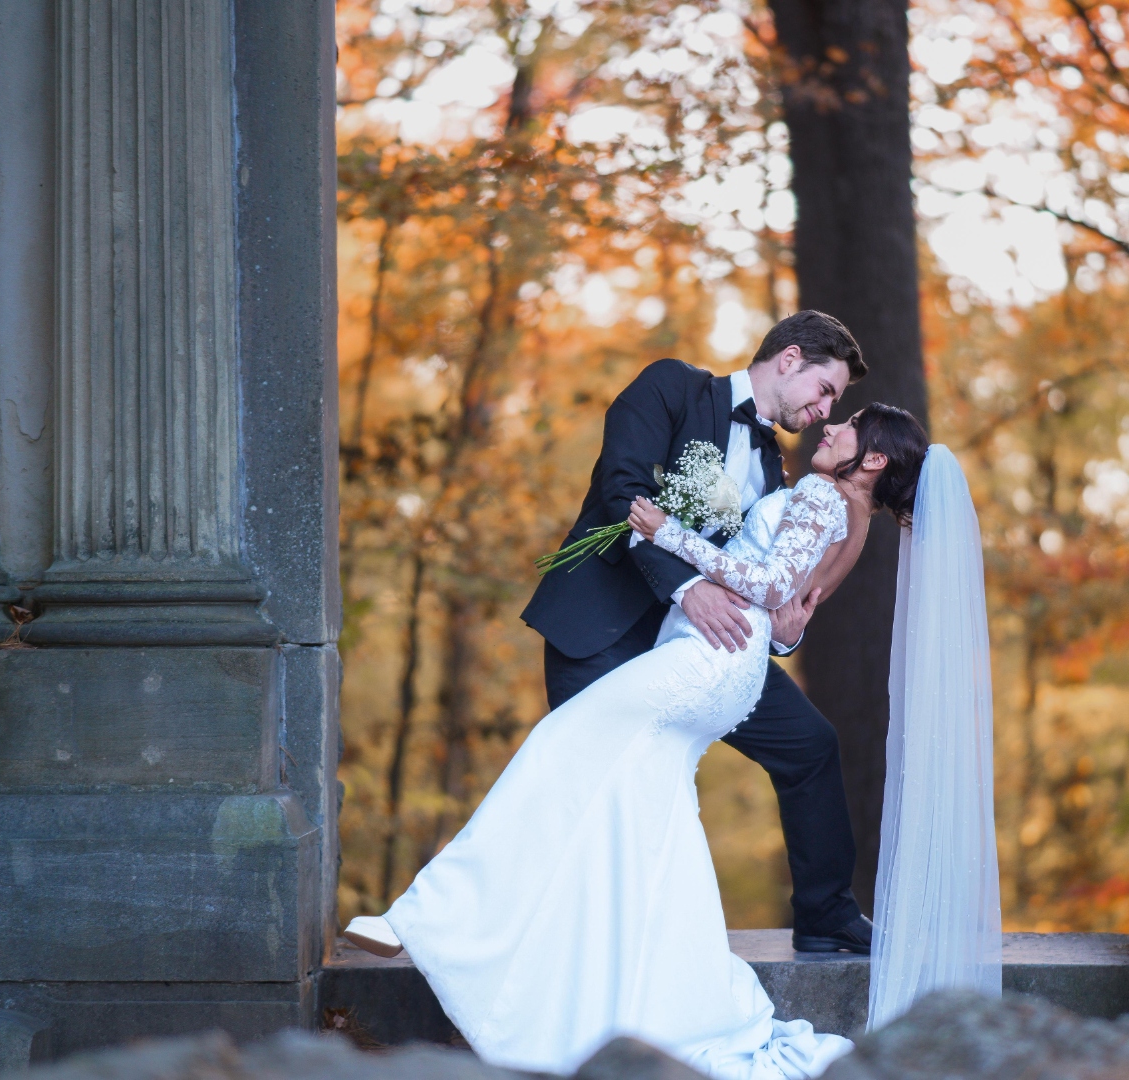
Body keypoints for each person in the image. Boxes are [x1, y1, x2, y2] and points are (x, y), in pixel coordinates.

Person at [342, 405, 933, 1079]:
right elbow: (787, 614)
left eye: (848, 424)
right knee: (655, 824)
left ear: (876, 459)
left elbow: (768, 586)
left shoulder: (823, 496)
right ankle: (664, 1004)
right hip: (729, 663)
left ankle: (425, 918)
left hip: (706, 663)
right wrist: (787, 629)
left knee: (558, 743)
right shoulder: (851, 520)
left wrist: (667, 531)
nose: (830, 428)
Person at [520, 310, 876, 955]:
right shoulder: (672, 388)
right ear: (790, 359)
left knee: (811, 745)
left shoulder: (775, 470)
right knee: (601, 780)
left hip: (702, 646)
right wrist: (688, 587)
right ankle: (565, 939)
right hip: (606, 626)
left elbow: (758, 580)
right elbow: (621, 492)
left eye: (836, 403)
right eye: (826, 390)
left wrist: (785, 633)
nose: (826, 411)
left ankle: (826, 915)